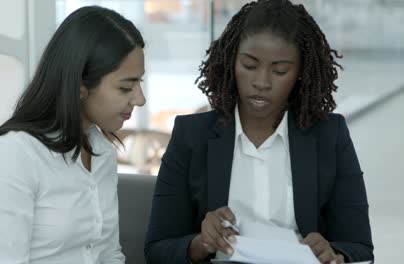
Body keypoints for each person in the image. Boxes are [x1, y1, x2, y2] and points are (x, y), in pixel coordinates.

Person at [144, 0, 373, 263]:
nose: (261, 82)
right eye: (249, 66)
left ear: (300, 73)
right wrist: (203, 242)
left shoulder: (330, 136)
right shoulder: (191, 135)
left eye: (280, 71)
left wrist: (334, 255)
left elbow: (360, 248)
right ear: (231, 61)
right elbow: (157, 250)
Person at [0, 6, 145, 263]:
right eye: (126, 87)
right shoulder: (13, 156)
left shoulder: (101, 151)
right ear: (80, 86)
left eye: (140, 83)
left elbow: (108, 254)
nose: (140, 99)